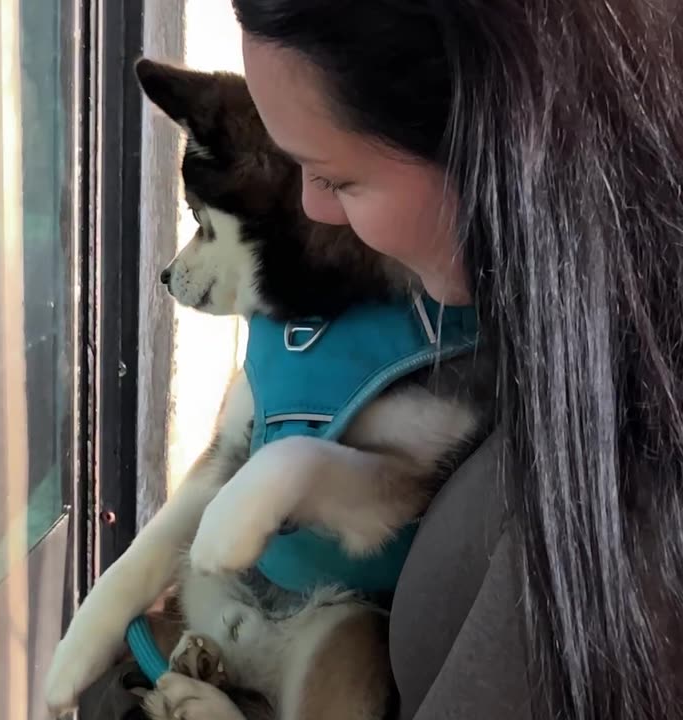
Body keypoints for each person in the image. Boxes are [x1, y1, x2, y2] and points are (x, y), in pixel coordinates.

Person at [231, 1, 683, 718]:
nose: (315, 210)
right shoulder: (586, 384)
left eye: (336, 178)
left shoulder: (629, 500)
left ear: (496, 133)